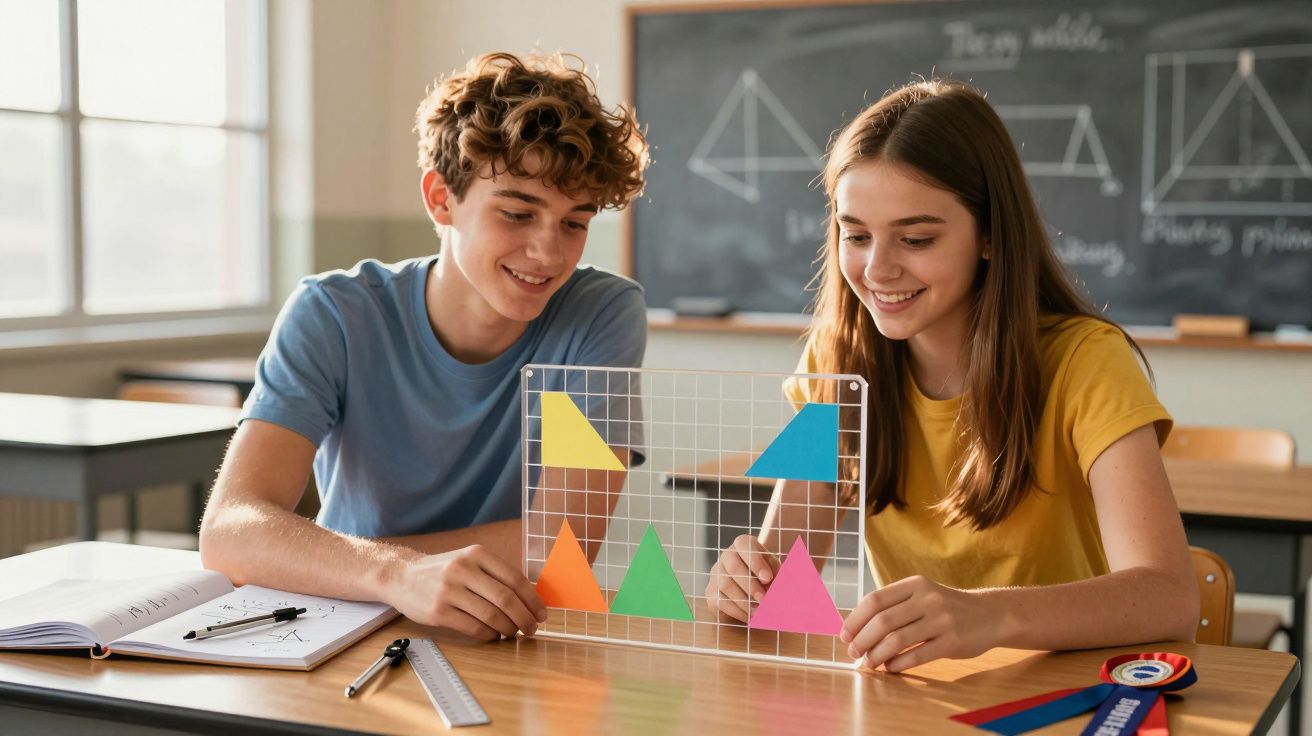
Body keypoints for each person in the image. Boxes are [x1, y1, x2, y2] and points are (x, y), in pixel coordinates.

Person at [706, 79, 1197, 671]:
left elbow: (1170, 596)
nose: (879, 268)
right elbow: (780, 571)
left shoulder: (1085, 361)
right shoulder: (834, 364)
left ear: (990, 235)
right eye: (855, 235)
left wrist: (989, 615)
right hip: (914, 696)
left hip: (1067, 692)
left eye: (916, 239)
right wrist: (743, 585)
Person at [200, 52, 650, 643]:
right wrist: (395, 574)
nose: (550, 253)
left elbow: (563, 545)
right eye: (518, 213)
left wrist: (312, 555)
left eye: (575, 223)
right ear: (441, 199)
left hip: (503, 634)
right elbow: (231, 530)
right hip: (342, 626)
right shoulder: (334, 314)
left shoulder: (599, 314)